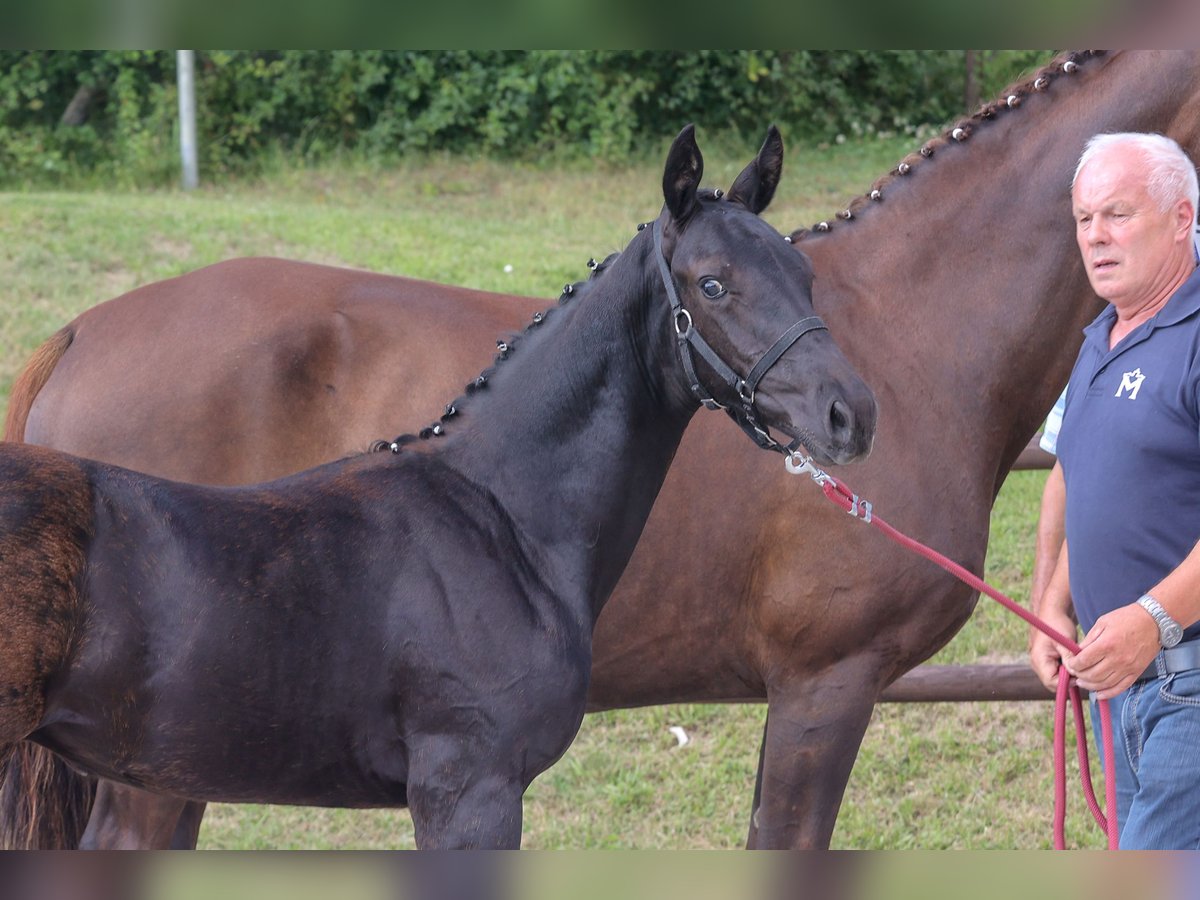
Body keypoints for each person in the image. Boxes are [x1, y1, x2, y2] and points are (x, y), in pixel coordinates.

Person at [1027, 132, 1200, 850]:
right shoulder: (1100, 336)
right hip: (1124, 687)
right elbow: (1081, 475)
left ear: (1182, 218)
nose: (1095, 236)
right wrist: (1053, 602)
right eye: (1083, 218)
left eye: (1118, 214)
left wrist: (1152, 621)